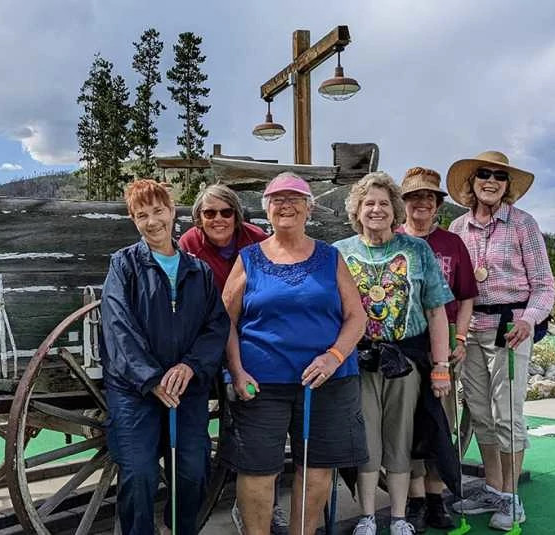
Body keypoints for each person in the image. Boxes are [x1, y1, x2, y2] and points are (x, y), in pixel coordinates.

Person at [221, 172, 368, 535]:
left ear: (309, 208)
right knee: (257, 469)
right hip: (261, 383)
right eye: (277, 199)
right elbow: (224, 320)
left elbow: (356, 317)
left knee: (316, 467)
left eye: (294, 199)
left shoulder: (330, 257)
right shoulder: (249, 259)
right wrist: (236, 372)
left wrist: (334, 356)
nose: (285, 205)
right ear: (266, 210)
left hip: (326, 381)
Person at [101, 179, 230, 535]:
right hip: (135, 390)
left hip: (185, 387)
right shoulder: (124, 265)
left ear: (173, 213)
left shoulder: (198, 271)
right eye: (142, 215)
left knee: (192, 468)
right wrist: (151, 379)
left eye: (158, 211)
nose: (152, 221)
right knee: (139, 473)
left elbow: (215, 327)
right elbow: (118, 327)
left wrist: (191, 366)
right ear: (133, 220)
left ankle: (180, 528)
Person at [333, 172, 455, 535]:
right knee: (367, 438)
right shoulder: (340, 252)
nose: (376, 209)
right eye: (368, 203)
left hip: (407, 362)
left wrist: (441, 366)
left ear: (395, 210)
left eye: (384, 203)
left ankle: (400, 515)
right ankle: (369, 515)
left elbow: (436, 311)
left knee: (402, 439)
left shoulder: (417, 250)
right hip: (360, 362)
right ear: (357, 209)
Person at [446, 151, 555, 531]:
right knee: (478, 412)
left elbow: (544, 286)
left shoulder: (523, 224)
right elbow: (456, 286)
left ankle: (512, 498)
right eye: (483, 175)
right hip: (471, 327)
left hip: (511, 328)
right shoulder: (458, 228)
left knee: (507, 414)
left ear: (507, 186)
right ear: (472, 183)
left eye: (499, 176)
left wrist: (527, 320)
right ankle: (493, 489)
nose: (491, 181)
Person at [178, 184, 291, 534]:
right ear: (198, 219)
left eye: (226, 212)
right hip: (208, 336)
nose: (218, 219)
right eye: (209, 213)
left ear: (237, 216)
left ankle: (258, 506)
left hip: (252, 336)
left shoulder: (256, 239)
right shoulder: (189, 245)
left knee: (258, 423)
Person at [397, 167, 479, 531]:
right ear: (404, 203)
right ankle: (413, 500)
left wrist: (459, 338)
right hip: (402, 343)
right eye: (415, 196)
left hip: (443, 341)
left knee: (440, 421)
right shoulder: (391, 239)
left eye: (429, 197)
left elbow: (465, 298)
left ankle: (435, 497)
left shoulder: (452, 244)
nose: (422, 203)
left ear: (437, 204)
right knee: (405, 424)